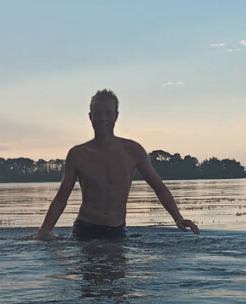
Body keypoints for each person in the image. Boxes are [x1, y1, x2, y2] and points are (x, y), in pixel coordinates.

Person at [36, 89, 200, 240]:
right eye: (98, 114)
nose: (103, 119)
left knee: (116, 270)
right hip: (84, 229)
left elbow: (158, 187)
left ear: (116, 115)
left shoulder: (133, 150)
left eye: (108, 113)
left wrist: (177, 217)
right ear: (90, 116)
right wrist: (44, 231)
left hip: (117, 231)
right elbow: (61, 198)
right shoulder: (78, 154)